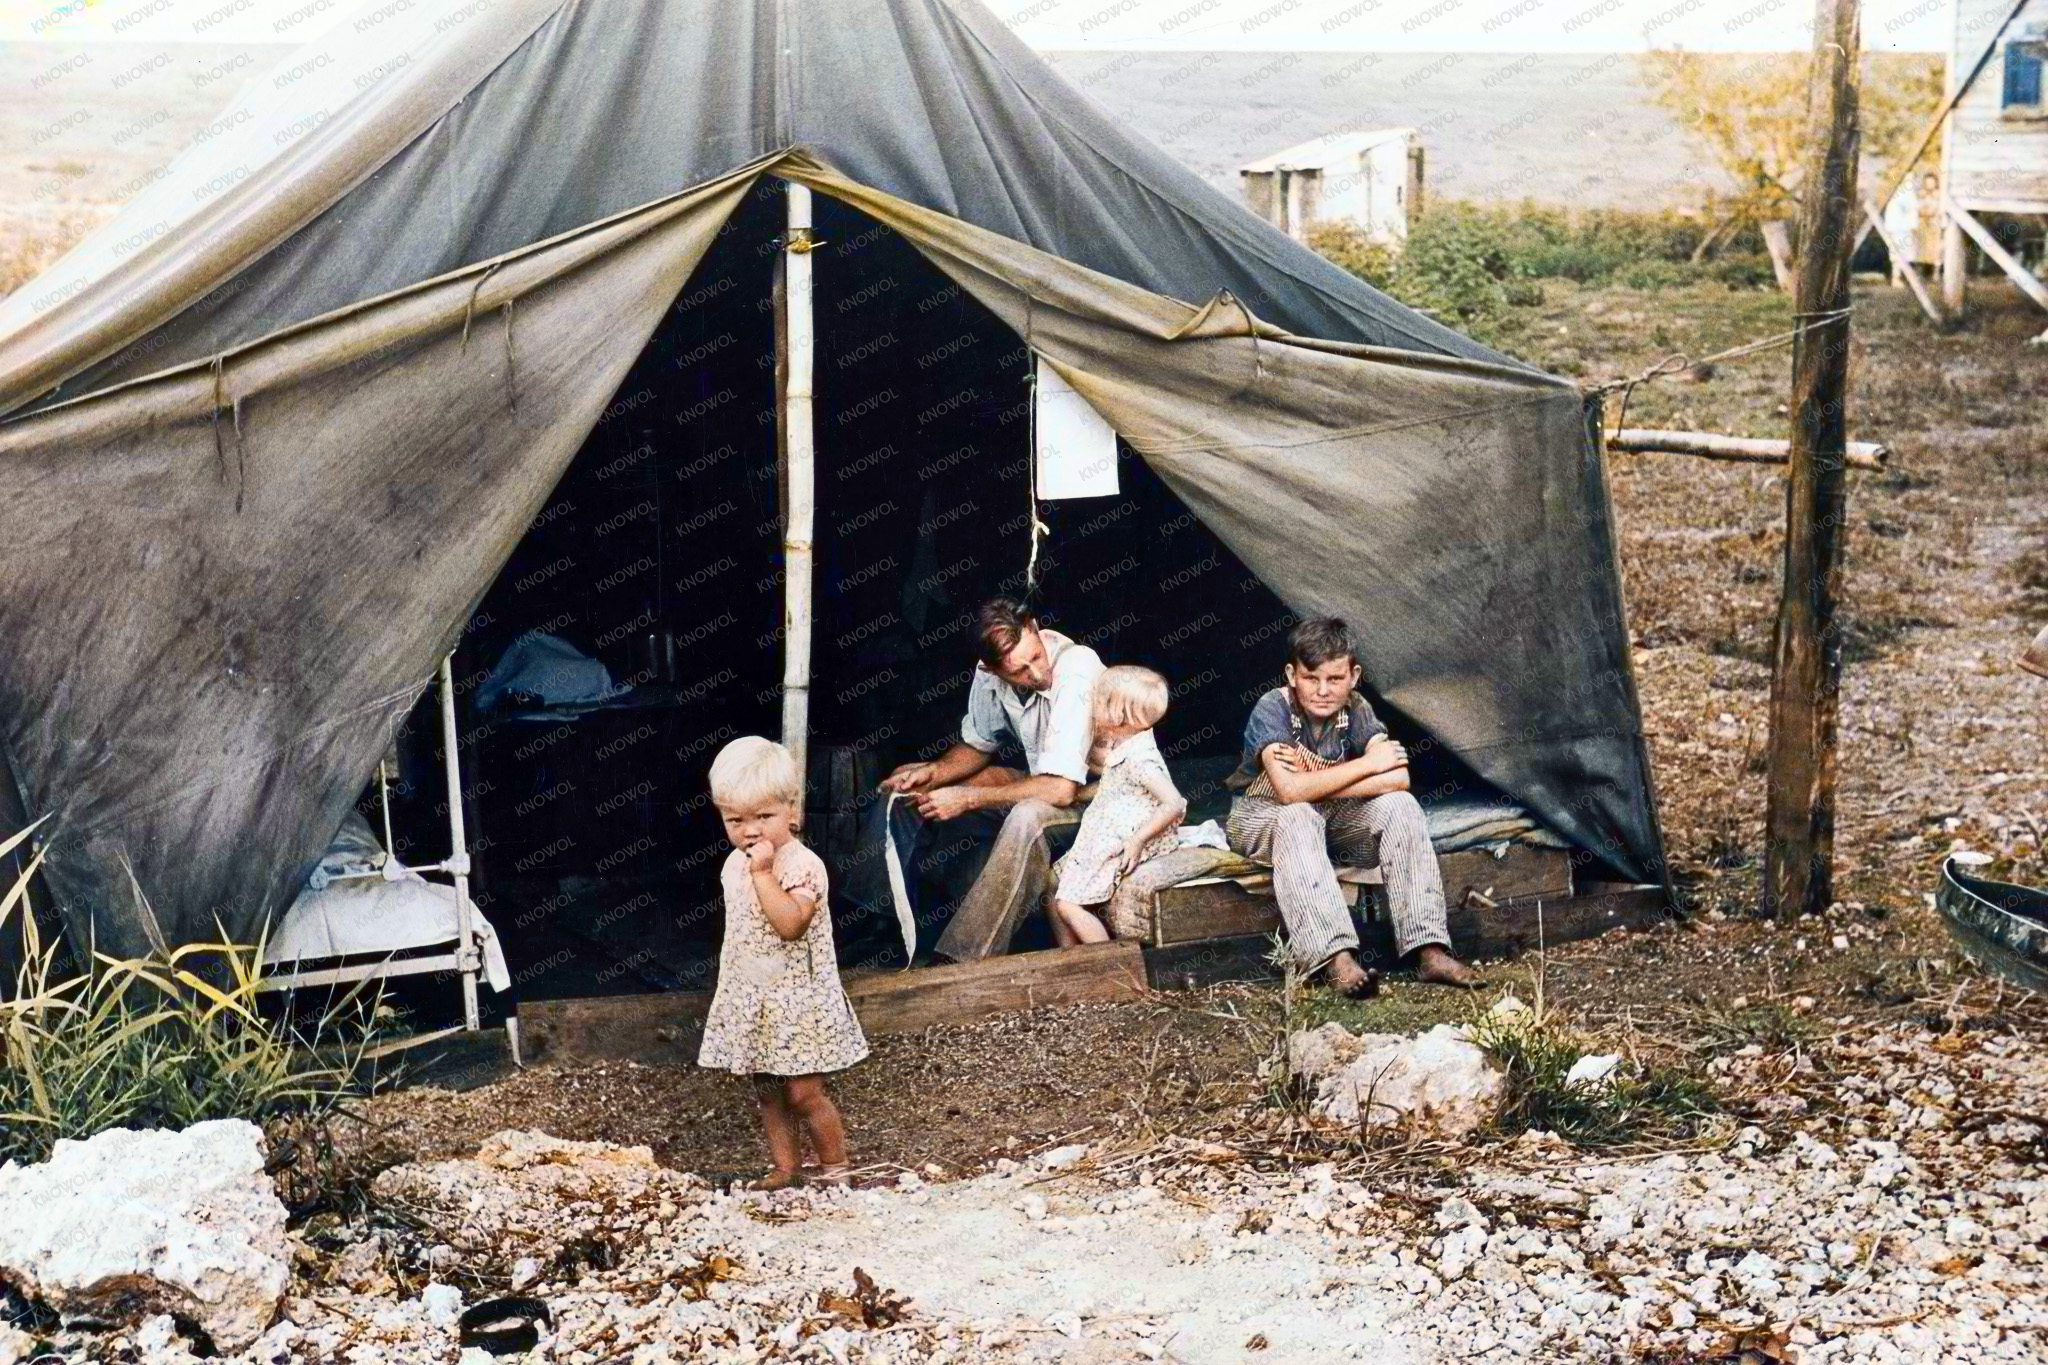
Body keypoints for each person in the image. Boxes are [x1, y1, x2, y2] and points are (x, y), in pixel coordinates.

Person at [1226, 617, 1481, 995]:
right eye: (1311, 678)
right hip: (1262, 814)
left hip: (1328, 818)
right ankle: (1336, 959)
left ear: (1354, 675)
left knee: (1401, 806)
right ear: (1292, 675)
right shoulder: (1273, 708)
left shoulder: (1357, 709)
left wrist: (1314, 786)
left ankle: (1429, 949)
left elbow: (1398, 779)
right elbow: (1289, 793)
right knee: (1297, 815)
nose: (1323, 690)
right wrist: (1365, 767)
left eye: (1335, 679)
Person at [853, 597, 1104, 963]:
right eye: (1018, 671)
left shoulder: (1075, 669)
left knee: (1027, 817)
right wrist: (935, 773)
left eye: (1035, 657)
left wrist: (968, 799)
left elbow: (1061, 789)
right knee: (911, 792)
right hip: (1043, 781)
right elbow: (978, 745)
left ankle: (964, 956)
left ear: (1034, 627)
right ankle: (877, 924)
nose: (1036, 674)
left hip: (1097, 801)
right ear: (990, 669)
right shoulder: (988, 675)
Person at [698, 735, 868, 1190]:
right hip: (757, 997)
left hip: (799, 1001)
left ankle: (836, 1169)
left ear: (792, 810)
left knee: (804, 1092)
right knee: (769, 1091)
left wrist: (761, 873)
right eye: (735, 820)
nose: (750, 831)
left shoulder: (801, 866)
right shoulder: (734, 864)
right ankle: (785, 1168)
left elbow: (790, 923)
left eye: (764, 817)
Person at [1048, 666, 1187, 946]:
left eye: (1099, 700)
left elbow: (1174, 802)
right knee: (1053, 881)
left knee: (1067, 904)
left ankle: (1111, 963)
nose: (1092, 704)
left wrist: (1137, 841)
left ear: (1119, 715)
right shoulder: (1124, 746)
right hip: (1103, 834)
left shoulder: (1141, 758)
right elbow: (1118, 787)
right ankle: (1069, 958)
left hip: (1125, 841)